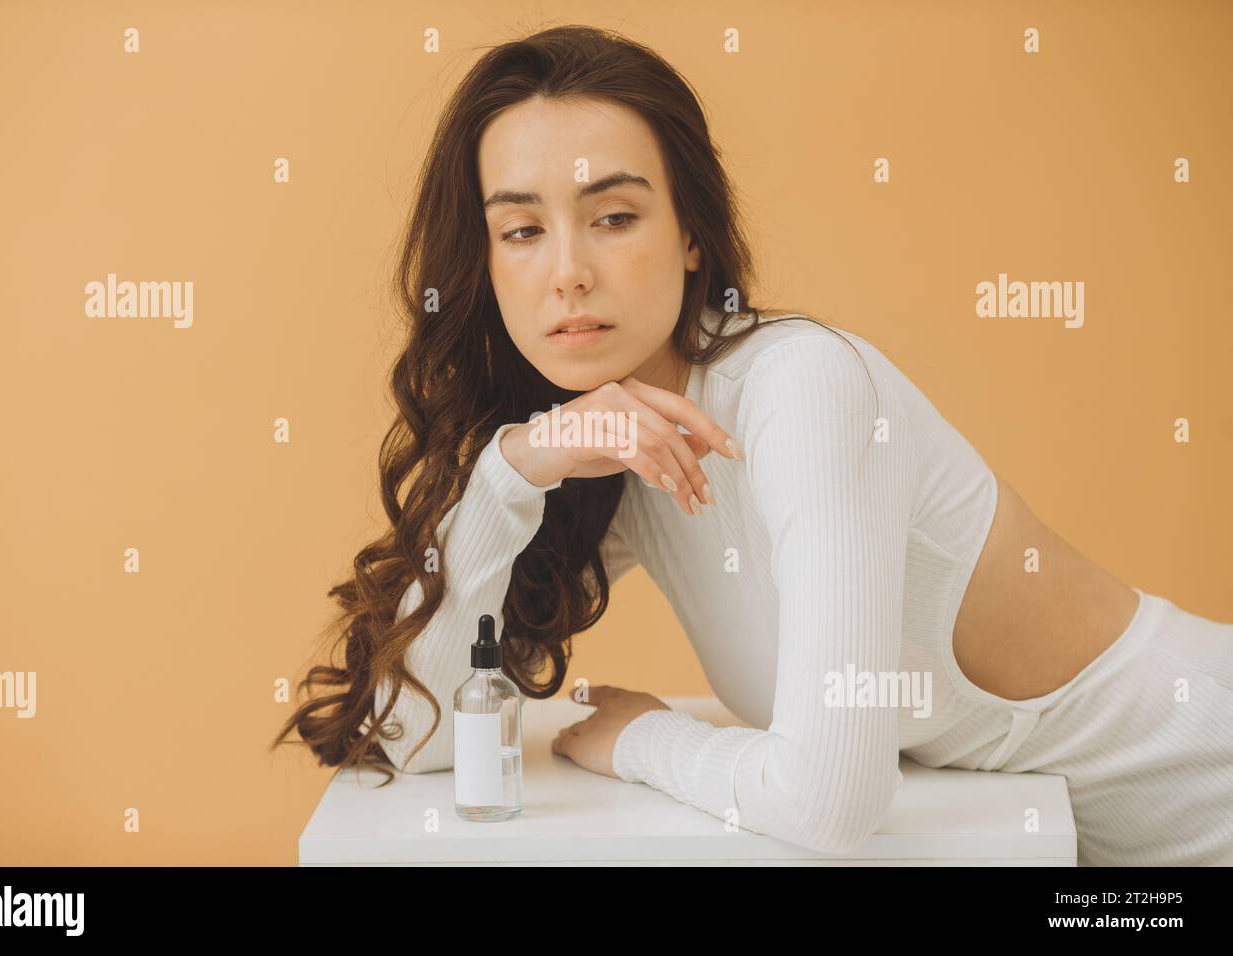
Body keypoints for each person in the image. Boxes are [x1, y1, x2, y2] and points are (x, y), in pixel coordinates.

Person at [271, 24, 1233, 866]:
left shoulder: (803, 388)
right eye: (521, 230)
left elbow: (832, 800)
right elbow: (415, 734)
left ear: (692, 231)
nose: (568, 272)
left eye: (613, 217)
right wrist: (511, 471)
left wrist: (643, 739)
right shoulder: (615, 452)